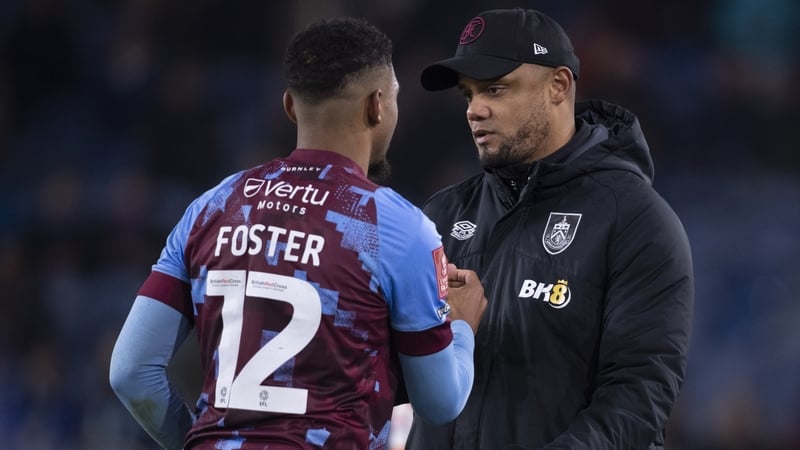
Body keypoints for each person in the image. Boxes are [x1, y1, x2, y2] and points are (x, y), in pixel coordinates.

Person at [109, 17, 487, 450]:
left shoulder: (213, 206)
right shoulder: (397, 227)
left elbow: (130, 371)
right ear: (377, 106)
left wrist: (203, 441)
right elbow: (440, 403)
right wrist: (461, 326)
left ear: (290, 106)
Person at [404, 8, 694, 450]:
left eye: (495, 89)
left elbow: (637, 404)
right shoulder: (442, 214)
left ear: (558, 86)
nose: (475, 110)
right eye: (468, 95)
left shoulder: (635, 221)